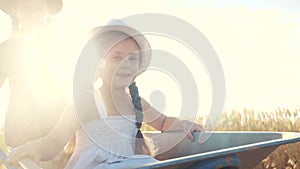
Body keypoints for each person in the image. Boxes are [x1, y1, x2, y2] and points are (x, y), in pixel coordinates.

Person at [6, 22, 204, 169]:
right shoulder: (87, 100)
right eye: (116, 56)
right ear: (98, 63)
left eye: (132, 58)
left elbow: (163, 122)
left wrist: (184, 125)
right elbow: (54, 141)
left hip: (128, 164)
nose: (125, 63)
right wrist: (35, 148)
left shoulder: (135, 103)